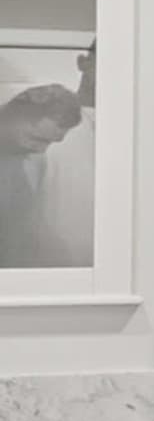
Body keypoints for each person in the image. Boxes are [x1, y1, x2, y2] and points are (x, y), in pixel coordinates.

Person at [0, 50, 94, 269]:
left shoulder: (28, 165)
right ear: (13, 116)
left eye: (50, 143)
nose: (41, 151)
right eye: (36, 139)